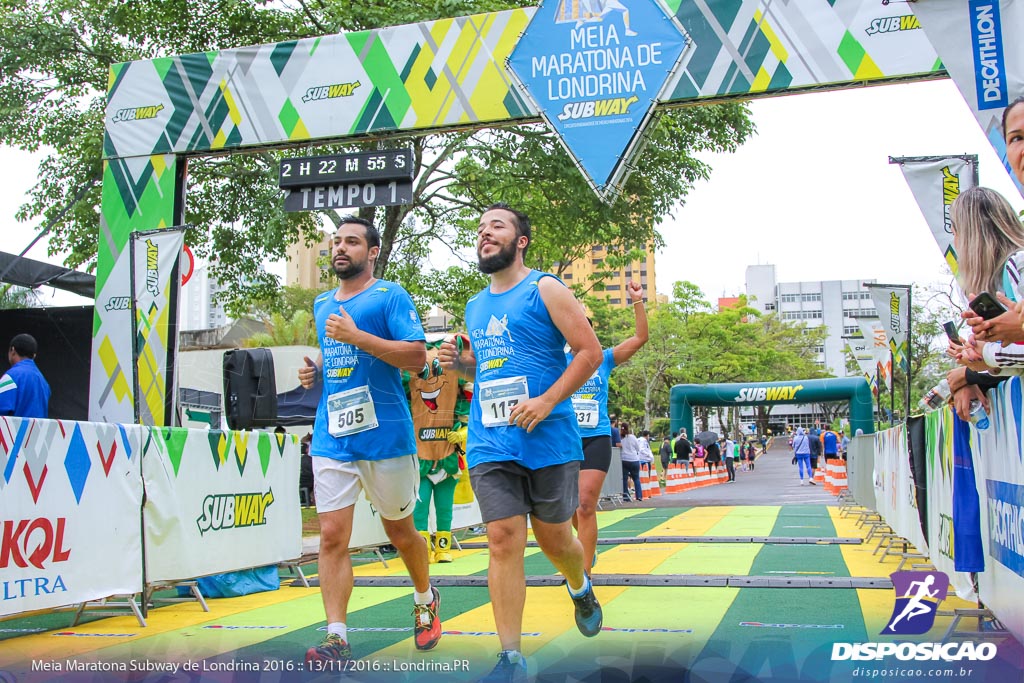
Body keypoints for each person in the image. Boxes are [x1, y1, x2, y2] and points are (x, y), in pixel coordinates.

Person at [438, 203, 604, 682]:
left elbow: (589, 353)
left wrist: (547, 402)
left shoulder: (545, 287)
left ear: (520, 240)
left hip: (548, 437)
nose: (485, 234)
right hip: (491, 440)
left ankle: (579, 584)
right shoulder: (474, 305)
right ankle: (510, 656)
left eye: (497, 227)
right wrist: (459, 365)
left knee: (556, 539)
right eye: (481, 229)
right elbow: (488, 369)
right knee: (503, 539)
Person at [297, 216, 440, 664]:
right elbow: (334, 358)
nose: (341, 248)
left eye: (352, 242)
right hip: (332, 437)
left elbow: (417, 356)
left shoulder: (389, 296)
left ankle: (424, 599)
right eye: (336, 241)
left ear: (372, 251)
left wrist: (357, 336)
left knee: (400, 531)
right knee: (332, 537)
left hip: (385, 439)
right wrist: (314, 373)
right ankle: (336, 636)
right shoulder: (323, 304)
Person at [566, 282, 647, 571]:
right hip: (563, 440)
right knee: (566, 510)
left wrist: (637, 301)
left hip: (595, 438)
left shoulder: (604, 359)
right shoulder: (557, 361)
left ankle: (583, 576)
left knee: (585, 505)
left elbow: (640, 337)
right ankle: (584, 542)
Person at [946, 187, 1024, 419]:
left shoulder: (1017, 266)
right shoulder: (1001, 279)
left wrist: (982, 361)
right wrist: (979, 363)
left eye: (955, 230)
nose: (954, 241)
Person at [408, 340, 471, 564]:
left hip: (448, 457)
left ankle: (443, 547)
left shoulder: (460, 394)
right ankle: (421, 549)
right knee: (420, 505)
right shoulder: (409, 394)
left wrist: (462, 434)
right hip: (420, 457)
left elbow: (470, 419)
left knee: (445, 508)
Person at [0, 333, 50, 418]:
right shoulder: (44, 382)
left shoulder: (11, 377)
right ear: (34, 356)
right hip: (38, 431)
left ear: (12, 350)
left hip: (15, 431)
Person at [619, 422, 642, 501]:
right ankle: (639, 496)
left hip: (624, 459)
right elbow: (638, 448)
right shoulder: (632, 437)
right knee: (636, 478)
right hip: (634, 459)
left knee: (624, 479)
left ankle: (626, 496)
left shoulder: (620, 438)